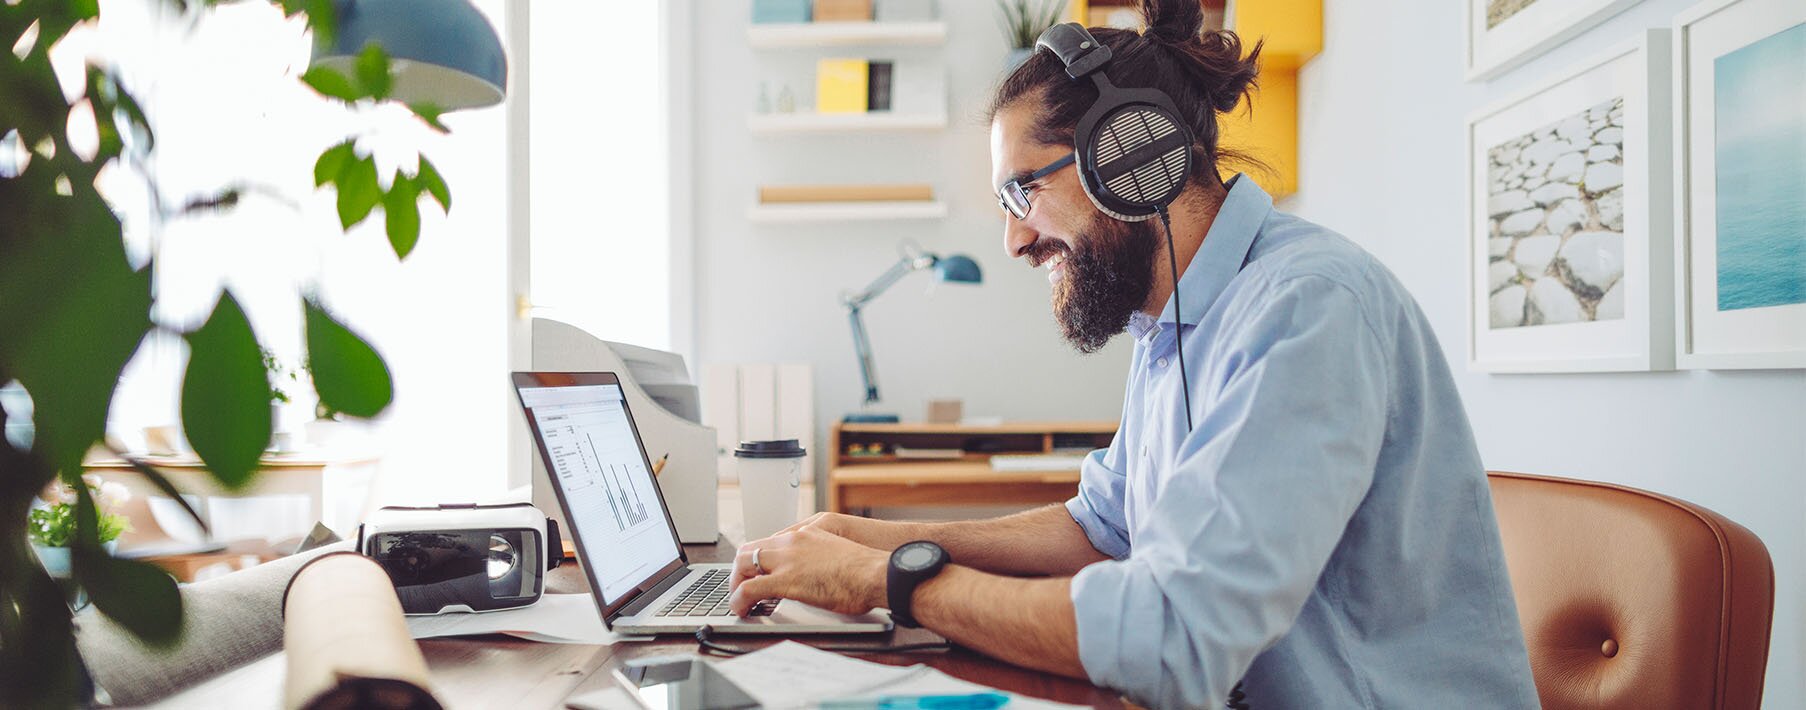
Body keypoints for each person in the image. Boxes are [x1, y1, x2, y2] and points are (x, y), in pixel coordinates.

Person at [727, 1, 1540, 706]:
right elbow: (1101, 527)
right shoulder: (1172, 323)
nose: (1012, 239)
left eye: (1023, 191)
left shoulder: (1307, 308)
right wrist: (867, 539)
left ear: (1127, 156)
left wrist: (889, 583)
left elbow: (1175, 637)